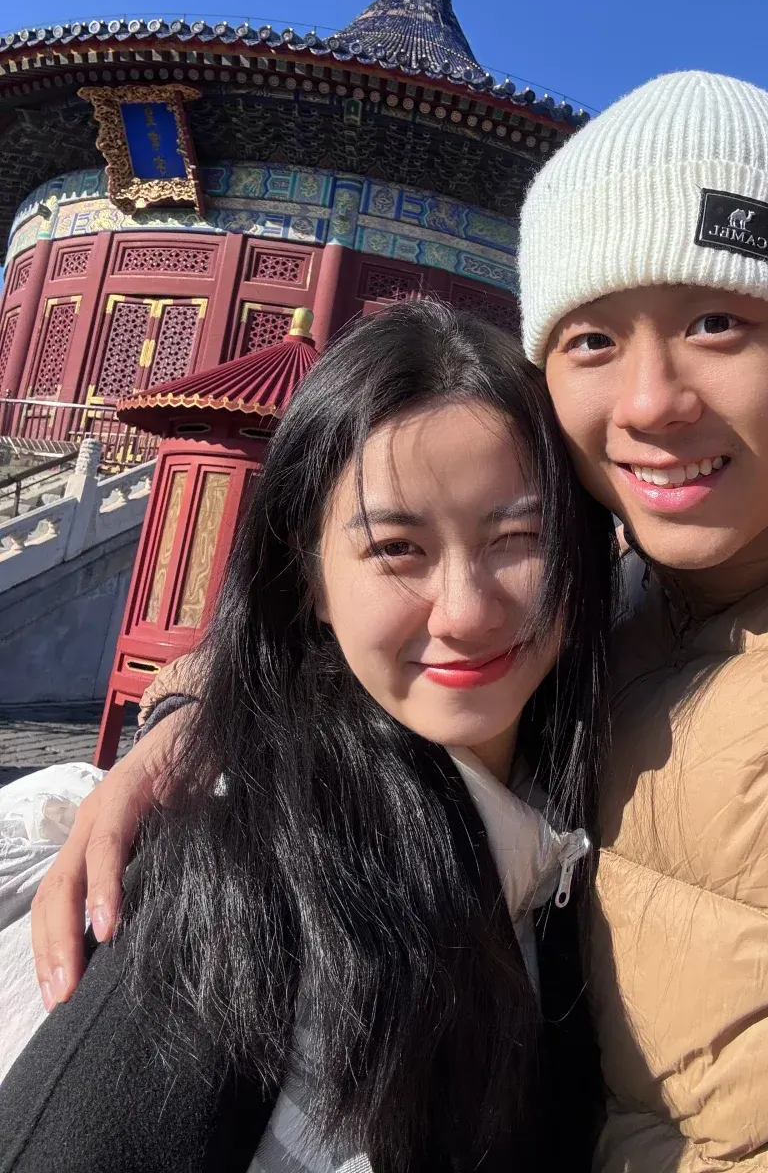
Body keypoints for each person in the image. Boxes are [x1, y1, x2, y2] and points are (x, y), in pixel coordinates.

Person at [29, 72, 768, 1171]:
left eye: (718, 321)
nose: (649, 403)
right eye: (589, 341)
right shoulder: (599, 594)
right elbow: (333, 628)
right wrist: (188, 732)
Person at [0, 299, 616, 1172]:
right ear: (311, 575)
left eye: (520, 535)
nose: (467, 611)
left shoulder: (573, 815)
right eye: (396, 548)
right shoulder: (235, 876)